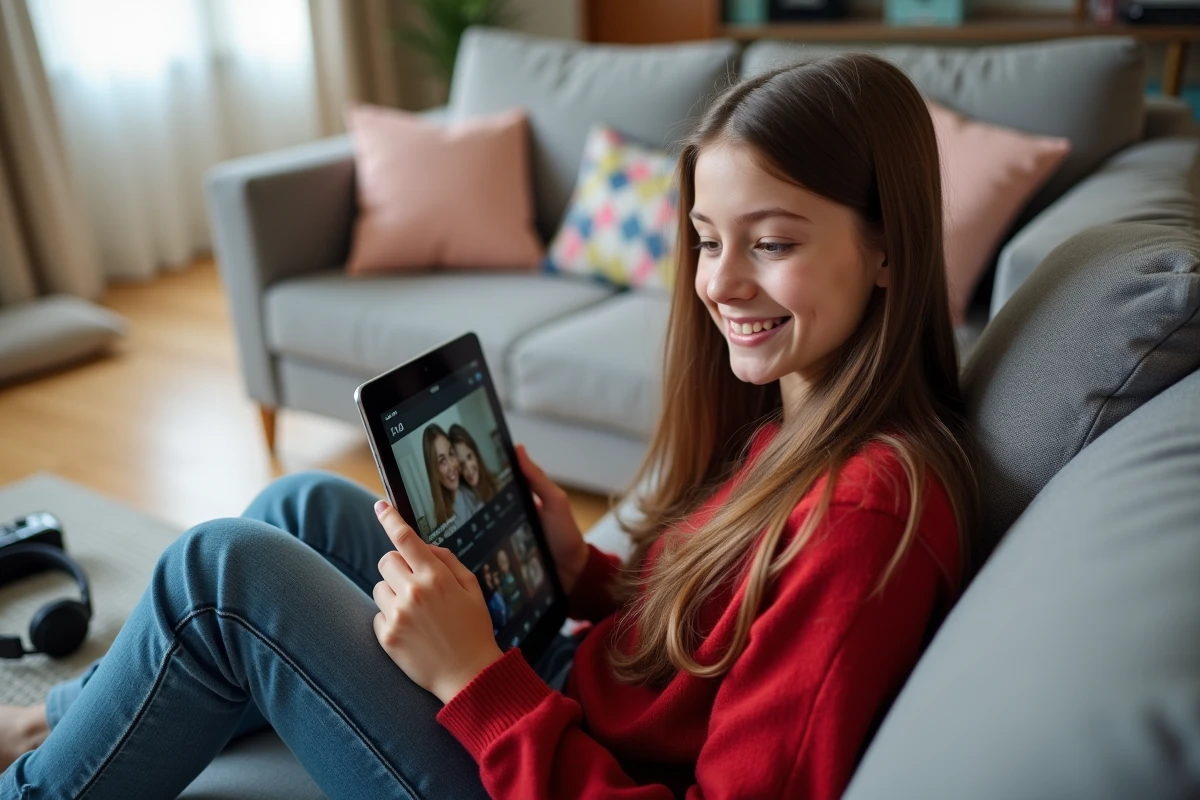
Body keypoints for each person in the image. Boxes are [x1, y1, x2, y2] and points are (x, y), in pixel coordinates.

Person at [0, 53, 978, 799]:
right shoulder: (802, 420)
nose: (719, 283)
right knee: (302, 504)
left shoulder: (865, 515)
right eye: (707, 239)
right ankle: (64, 719)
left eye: (771, 242)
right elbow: (716, 638)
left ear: (889, 246)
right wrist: (581, 570)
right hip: (565, 695)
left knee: (220, 577)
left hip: (534, 762)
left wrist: (475, 674)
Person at [421, 423, 482, 535]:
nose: (452, 465)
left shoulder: (470, 490)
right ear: (434, 472)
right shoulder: (443, 525)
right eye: (442, 461)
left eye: (451, 453)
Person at [448, 424, 502, 504]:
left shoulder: (496, 483)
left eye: (469, 457)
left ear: (475, 454)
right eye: (462, 465)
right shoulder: (463, 500)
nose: (468, 468)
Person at [480, 563, 509, 635]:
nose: (489, 577)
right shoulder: (487, 603)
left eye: (489, 572)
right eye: (486, 573)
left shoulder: (498, 595)